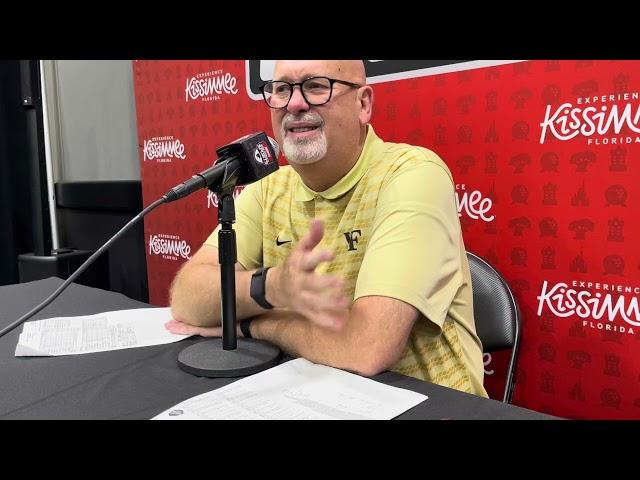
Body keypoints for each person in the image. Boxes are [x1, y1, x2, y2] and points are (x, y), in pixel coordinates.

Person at [167, 60, 488, 397]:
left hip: (428, 403)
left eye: (316, 86)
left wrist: (250, 324)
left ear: (363, 104)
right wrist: (272, 287)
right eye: (281, 89)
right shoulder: (268, 188)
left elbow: (367, 347)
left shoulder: (413, 175)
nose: (294, 103)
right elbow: (186, 298)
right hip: (309, 395)